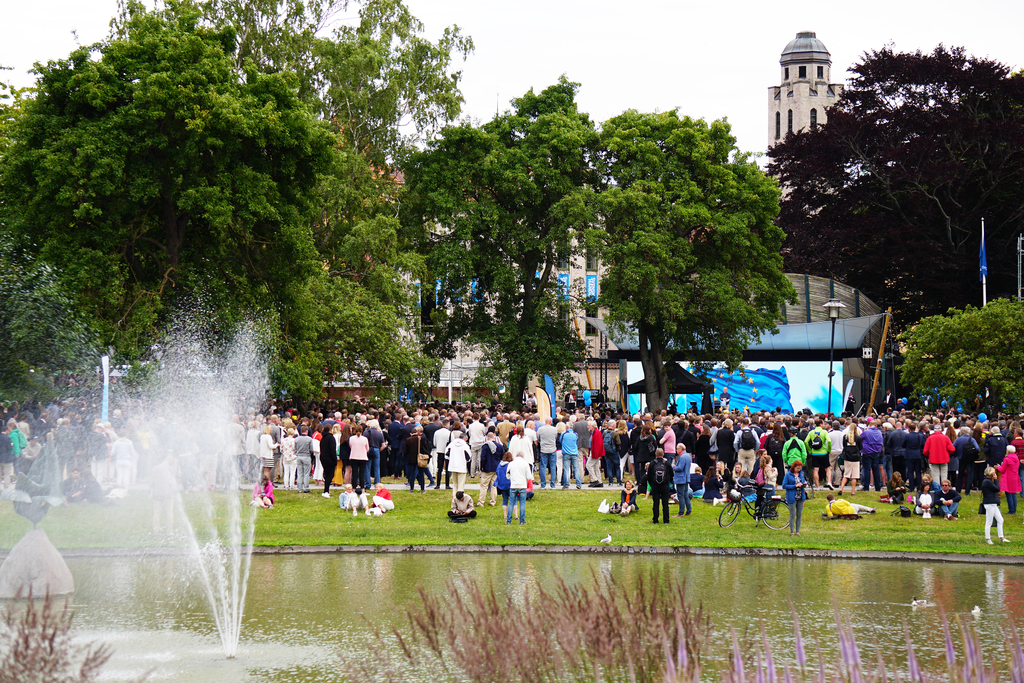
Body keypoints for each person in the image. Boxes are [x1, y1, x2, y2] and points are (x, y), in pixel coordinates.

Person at [981, 467, 1009, 544]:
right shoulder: (987, 482)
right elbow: (997, 488)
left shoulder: (988, 481)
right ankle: (988, 538)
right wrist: (996, 479)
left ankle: (1001, 537)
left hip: (993, 503)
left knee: (1000, 520)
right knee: (989, 521)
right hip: (989, 503)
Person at [646, 447, 672, 524]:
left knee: (656, 503)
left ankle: (655, 520)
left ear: (655, 455)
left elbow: (649, 476)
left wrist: (652, 484)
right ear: (663, 454)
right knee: (665, 503)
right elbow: (671, 474)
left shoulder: (652, 463)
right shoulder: (667, 463)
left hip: (655, 486)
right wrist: (667, 482)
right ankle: (666, 520)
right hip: (665, 486)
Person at [478, 428, 503, 507]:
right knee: (494, 486)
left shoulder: (485, 446)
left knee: (484, 486)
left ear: (487, 438)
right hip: (496, 468)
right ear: (494, 437)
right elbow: (502, 457)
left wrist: (481, 468)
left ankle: (481, 502)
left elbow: (483, 458)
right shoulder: (499, 446)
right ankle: (493, 501)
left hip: (487, 468)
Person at [506, 449, 531, 525]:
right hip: (522, 485)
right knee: (522, 503)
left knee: (511, 503)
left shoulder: (511, 464)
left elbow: (507, 475)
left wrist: (512, 478)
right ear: (523, 456)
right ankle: (522, 521)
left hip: (513, 485)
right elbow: (529, 476)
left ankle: (508, 520)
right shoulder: (525, 464)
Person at [783, 460, 807, 537]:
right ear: (794, 467)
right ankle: (792, 532)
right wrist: (795, 486)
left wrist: (804, 484)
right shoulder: (788, 475)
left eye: (800, 468)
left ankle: (798, 531)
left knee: (799, 515)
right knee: (792, 514)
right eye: (797, 468)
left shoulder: (801, 474)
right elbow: (784, 485)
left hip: (800, 496)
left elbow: (803, 481)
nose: (799, 470)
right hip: (792, 497)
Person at [996, 445, 1021, 515]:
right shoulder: (1016, 458)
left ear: (1008, 451)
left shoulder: (1007, 459)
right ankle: (1014, 510)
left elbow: (1002, 469)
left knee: (1009, 494)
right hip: (1015, 476)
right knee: (1014, 494)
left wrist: (998, 467)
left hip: (1008, 477)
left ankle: (1011, 510)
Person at [839, 422, 862, 496]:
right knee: (854, 476)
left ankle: (841, 489)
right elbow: (861, 447)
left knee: (846, 474)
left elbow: (844, 446)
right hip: (856, 458)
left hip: (847, 457)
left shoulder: (845, 437)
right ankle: (852, 492)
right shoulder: (858, 438)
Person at [673, 443, 692, 517]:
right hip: (686, 477)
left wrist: (673, 467)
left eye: (677, 448)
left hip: (681, 478)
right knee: (685, 494)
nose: (676, 450)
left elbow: (680, 468)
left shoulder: (682, 457)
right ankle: (689, 510)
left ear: (680, 449)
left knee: (680, 495)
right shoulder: (687, 456)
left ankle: (681, 513)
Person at [319, 424, 338, 498]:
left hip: (323, 457)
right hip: (329, 458)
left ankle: (326, 489)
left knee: (327, 474)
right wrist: (334, 459)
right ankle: (326, 490)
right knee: (330, 475)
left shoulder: (323, 438)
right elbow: (332, 450)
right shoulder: (331, 438)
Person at [496, 451, 513, 519]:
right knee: (513, 500)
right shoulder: (510, 465)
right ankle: (516, 515)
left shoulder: (500, 464)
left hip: (502, 485)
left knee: (505, 500)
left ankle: (505, 515)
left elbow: (497, 473)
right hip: (510, 484)